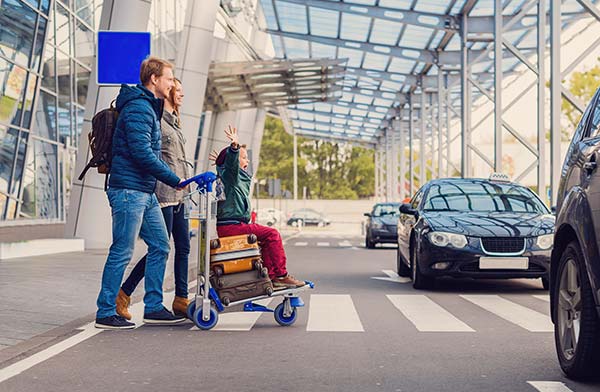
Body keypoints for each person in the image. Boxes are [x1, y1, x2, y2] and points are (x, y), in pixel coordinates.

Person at [95, 57, 187, 329]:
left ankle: (154, 306)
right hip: (128, 190)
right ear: (154, 79)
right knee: (122, 250)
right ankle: (105, 311)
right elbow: (141, 152)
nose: (172, 84)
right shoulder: (138, 107)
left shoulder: (147, 107)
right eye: (169, 79)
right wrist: (174, 180)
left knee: (160, 244)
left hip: (144, 191)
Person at [116, 78, 192, 320]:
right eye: (176, 88)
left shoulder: (175, 122)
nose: (180, 93)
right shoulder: (156, 119)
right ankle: (124, 292)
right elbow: (151, 155)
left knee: (184, 246)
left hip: (181, 193)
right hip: (163, 192)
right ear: (166, 90)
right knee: (159, 247)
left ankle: (181, 298)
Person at [211, 126, 305, 288]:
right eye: (245, 158)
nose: (247, 161)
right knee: (272, 234)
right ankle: (280, 275)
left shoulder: (231, 177)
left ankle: (271, 276)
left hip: (234, 225)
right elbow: (232, 165)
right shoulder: (231, 176)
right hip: (232, 226)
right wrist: (234, 147)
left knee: (267, 240)